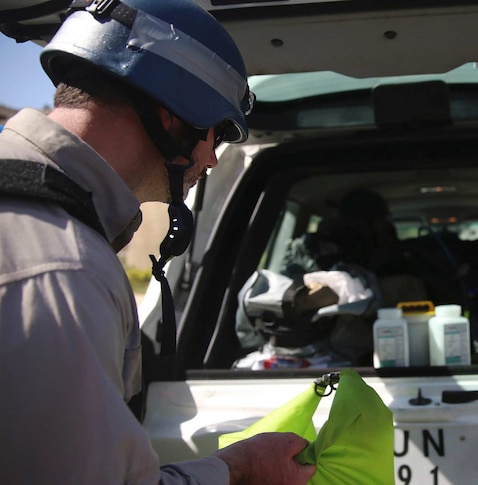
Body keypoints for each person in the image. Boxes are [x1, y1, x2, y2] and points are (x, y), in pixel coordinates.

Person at [0, 1, 316, 483]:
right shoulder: (63, 267)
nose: (211, 159)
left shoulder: (40, 221)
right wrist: (241, 468)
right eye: (217, 133)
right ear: (173, 115)